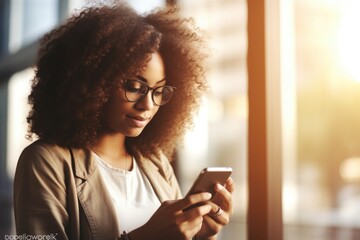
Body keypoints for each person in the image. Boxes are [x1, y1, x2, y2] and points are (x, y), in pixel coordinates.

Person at [13, 2, 234, 240]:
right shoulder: (46, 162)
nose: (148, 105)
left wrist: (202, 235)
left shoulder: (156, 163)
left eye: (159, 91)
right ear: (94, 81)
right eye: (135, 87)